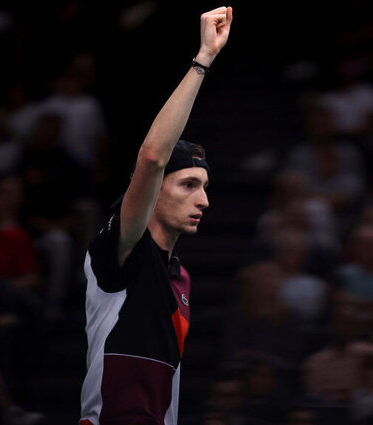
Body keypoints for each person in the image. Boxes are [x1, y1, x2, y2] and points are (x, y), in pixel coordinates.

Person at [79, 7, 232, 425]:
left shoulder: (180, 278)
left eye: (205, 187)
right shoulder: (119, 251)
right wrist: (204, 60)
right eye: (188, 185)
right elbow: (151, 156)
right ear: (153, 190)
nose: (204, 201)